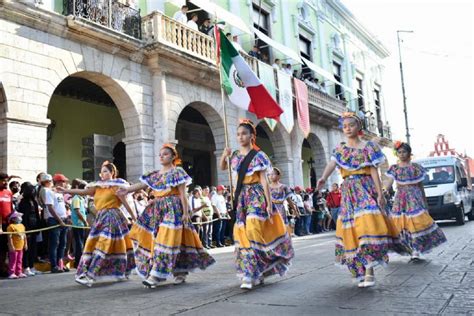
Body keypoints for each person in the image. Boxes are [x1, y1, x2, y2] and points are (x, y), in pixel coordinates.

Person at [317, 111, 405, 288]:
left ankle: (370, 271)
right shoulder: (340, 150)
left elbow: (373, 171)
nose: (348, 128)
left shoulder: (368, 147)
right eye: (345, 126)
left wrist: (380, 194)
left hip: (366, 190)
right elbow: (332, 164)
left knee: (368, 225)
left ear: (359, 127)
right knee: (351, 231)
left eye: (351, 125)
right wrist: (323, 178)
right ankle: (359, 269)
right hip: (348, 192)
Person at [120, 144, 215, 288]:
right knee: (165, 240)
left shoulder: (178, 172)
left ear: (173, 157)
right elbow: (140, 185)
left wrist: (185, 212)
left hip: (174, 208)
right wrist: (125, 190)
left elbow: (183, 194)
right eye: (160, 154)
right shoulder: (155, 174)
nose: (161, 156)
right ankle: (180, 271)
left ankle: (156, 274)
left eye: (165, 154)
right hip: (157, 209)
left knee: (167, 239)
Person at [220, 119, 294, 289]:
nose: (240, 137)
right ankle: (252, 271)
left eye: (244, 133)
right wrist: (224, 155)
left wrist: (269, 203)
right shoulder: (236, 156)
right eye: (238, 134)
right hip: (241, 197)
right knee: (243, 234)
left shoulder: (259, 156)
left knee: (253, 229)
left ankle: (256, 268)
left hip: (256, 195)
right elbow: (223, 167)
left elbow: (264, 181)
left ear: (252, 136)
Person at [58, 162, 136, 287]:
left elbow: (125, 202)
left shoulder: (116, 186)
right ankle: (88, 273)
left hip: (113, 217)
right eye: (102, 171)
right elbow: (82, 191)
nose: (103, 173)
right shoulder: (97, 186)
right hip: (100, 218)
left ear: (112, 173)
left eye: (106, 171)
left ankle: (91, 276)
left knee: (105, 245)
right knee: (93, 245)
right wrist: (66, 190)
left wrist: (133, 216)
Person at [385, 141, 447, 259]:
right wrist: (383, 191)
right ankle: (408, 248)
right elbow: (389, 183)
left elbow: (420, 186)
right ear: (397, 154)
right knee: (401, 224)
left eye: (404, 152)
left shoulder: (415, 168)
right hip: (400, 199)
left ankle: (416, 250)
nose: (402, 154)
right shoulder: (394, 168)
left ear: (409, 153)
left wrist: (424, 201)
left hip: (415, 198)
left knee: (416, 223)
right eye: (399, 152)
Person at [38, 173, 69, 274]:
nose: (64, 183)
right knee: (54, 243)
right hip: (54, 220)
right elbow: (50, 208)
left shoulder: (59, 192)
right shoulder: (48, 191)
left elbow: (61, 206)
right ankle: (54, 265)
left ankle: (60, 264)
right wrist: (59, 220)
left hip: (63, 219)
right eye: (62, 181)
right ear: (57, 182)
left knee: (63, 244)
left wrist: (65, 218)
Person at [17, 182, 40, 276]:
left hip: (34, 227)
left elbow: (37, 215)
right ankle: (25, 267)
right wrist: (26, 230)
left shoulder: (34, 201)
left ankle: (31, 266)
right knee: (26, 248)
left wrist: (38, 227)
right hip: (27, 228)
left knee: (33, 248)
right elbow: (25, 217)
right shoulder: (23, 202)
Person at [70, 179, 88, 268]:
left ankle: (80, 262)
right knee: (79, 244)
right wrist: (84, 221)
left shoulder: (82, 198)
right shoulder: (76, 198)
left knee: (82, 243)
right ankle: (78, 263)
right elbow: (77, 211)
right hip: (77, 224)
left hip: (81, 224)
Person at [0, 172, 14, 277]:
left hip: (7, 224)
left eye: (7, 180)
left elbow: (11, 208)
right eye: (3, 180)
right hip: (0, 225)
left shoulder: (8, 193)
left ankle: (4, 268)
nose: (6, 182)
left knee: (6, 247)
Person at [6, 212, 27, 279]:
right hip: (14, 247)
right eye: (18, 216)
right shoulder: (10, 226)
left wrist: (26, 244)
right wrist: (11, 246)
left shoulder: (22, 226)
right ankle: (11, 273)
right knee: (13, 260)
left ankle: (19, 272)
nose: (19, 218)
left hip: (21, 246)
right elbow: (9, 237)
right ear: (13, 219)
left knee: (19, 260)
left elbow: (24, 235)